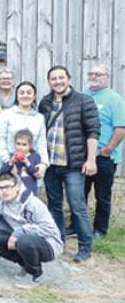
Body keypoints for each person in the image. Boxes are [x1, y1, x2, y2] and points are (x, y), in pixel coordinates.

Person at [39, 65, 100, 262]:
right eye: (53, 79)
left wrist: (91, 160)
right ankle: (58, 241)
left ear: (69, 79)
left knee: (77, 206)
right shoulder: (45, 102)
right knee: (54, 205)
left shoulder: (84, 100)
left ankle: (85, 247)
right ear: (49, 82)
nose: (58, 81)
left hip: (73, 165)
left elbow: (93, 132)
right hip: (50, 165)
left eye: (61, 78)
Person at [0, 172, 63, 285]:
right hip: (20, 240)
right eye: (0, 188)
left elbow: (48, 228)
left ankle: (35, 274)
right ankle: (25, 265)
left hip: (48, 244)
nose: (4, 191)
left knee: (24, 240)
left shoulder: (33, 203)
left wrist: (20, 232)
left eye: (8, 187)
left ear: (17, 187)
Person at [84, 63, 125, 238]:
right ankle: (78, 225)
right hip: (84, 155)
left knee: (102, 195)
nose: (94, 77)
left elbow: (121, 128)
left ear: (107, 77)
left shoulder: (114, 99)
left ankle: (100, 230)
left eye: (98, 74)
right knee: (79, 193)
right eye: (91, 73)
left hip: (104, 156)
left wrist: (108, 149)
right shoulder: (83, 96)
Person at [0, 81, 48, 180]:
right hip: (9, 166)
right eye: (21, 93)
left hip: (30, 167)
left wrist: (43, 164)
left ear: (34, 96)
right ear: (17, 96)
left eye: (29, 92)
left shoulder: (39, 118)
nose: (25, 95)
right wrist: (9, 161)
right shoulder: (6, 114)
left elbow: (42, 144)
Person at [0, 129, 42, 195]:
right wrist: (11, 162)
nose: (20, 147)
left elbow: (36, 173)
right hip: (15, 190)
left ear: (30, 145)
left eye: (24, 145)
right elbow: (2, 171)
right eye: (18, 144)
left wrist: (28, 163)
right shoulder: (12, 156)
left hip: (30, 189)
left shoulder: (35, 157)